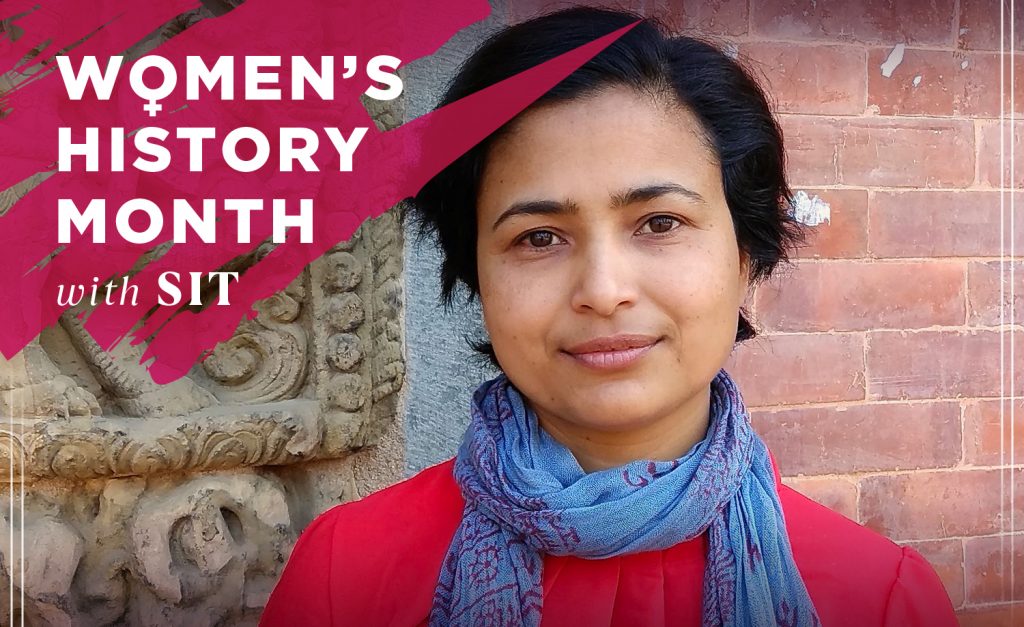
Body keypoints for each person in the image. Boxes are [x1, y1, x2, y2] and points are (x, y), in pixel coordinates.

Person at [260, 7, 959, 626]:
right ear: (479, 274)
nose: (602, 288)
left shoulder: (880, 599)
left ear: (747, 255)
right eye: (538, 237)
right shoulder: (345, 576)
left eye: (659, 222)